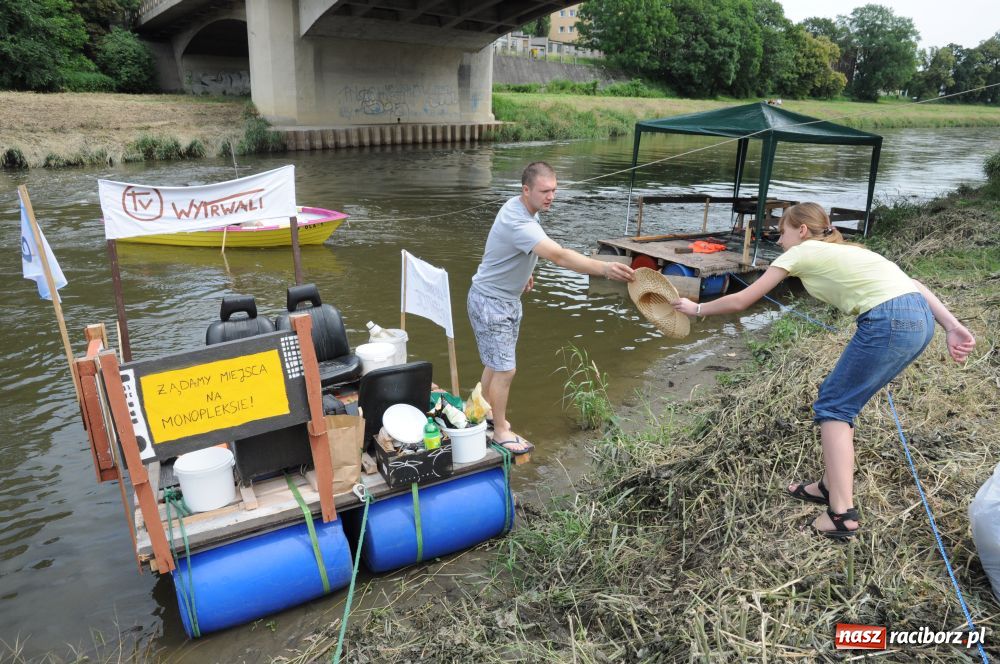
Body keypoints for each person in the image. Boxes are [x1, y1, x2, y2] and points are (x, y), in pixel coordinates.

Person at [672, 202, 976, 539]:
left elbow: (744, 300)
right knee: (844, 401)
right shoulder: (850, 251)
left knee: (834, 406)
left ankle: (842, 515)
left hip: (889, 321)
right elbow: (915, 284)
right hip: (919, 320)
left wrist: (696, 307)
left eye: (782, 232)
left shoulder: (800, 253)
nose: (779, 240)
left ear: (800, 231)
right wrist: (952, 326)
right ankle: (829, 486)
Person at [467, 162, 635, 453]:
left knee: (495, 364)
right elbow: (558, 255)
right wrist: (604, 268)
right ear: (526, 190)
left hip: (497, 296)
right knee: (505, 370)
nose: (551, 197)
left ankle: (479, 410)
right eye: (545, 191)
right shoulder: (519, 221)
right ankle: (501, 430)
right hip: (492, 303)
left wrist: (523, 273)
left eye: (554, 190)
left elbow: (509, 248)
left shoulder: (521, 208)